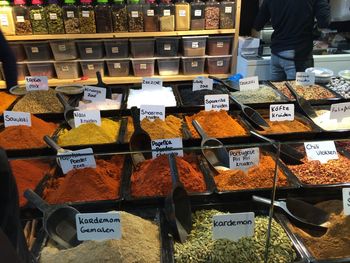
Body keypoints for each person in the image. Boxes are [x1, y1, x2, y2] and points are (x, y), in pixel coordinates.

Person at [253, 0, 330, 80]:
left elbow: (258, 24)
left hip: (276, 54)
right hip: (298, 55)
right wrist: (314, 32)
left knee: (277, 90)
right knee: (301, 91)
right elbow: (324, 23)